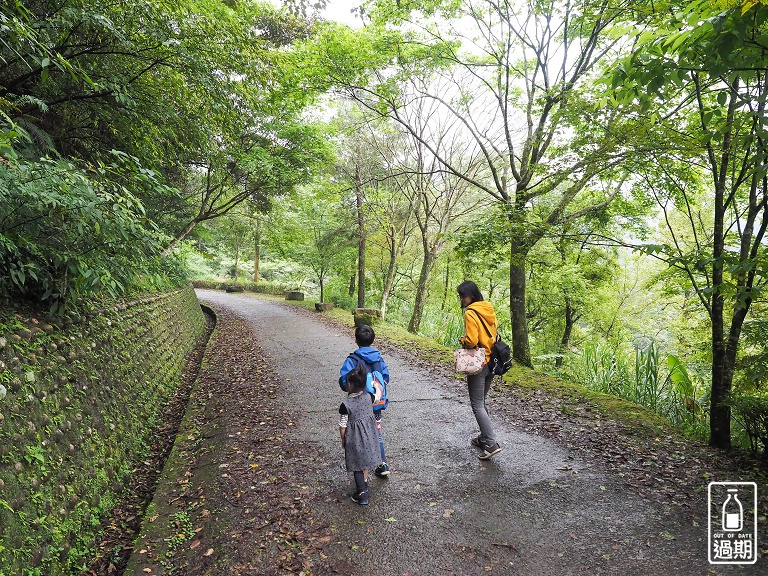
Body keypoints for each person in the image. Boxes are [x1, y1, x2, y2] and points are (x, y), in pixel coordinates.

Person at [457, 280, 502, 460]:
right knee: (481, 402)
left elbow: (472, 341)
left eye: (463, 296)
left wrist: (463, 341)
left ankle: (491, 443)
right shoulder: (488, 309)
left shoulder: (470, 313)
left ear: (471, 296)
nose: (461, 299)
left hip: (478, 362)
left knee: (476, 404)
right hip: (492, 361)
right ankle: (484, 437)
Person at [339, 324, 391, 476]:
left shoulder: (353, 360)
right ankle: (382, 464)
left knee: (359, 433)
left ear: (356, 340)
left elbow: (344, 381)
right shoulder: (378, 358)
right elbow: (386, 377)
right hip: (376, 404)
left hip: (358, 405)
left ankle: (361, 465)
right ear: (373, 340)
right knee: (377, 432)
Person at [339, 364, 381, 505]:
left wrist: (343, 439)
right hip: (369, 436)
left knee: (357, 465)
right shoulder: (368, 396)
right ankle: (364, 484)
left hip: (354, 438)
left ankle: (362, 493)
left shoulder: (345, 404)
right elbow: (378, 396)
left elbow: (343, 425)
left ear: (349, 385)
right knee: (364, 462)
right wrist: (377, 386)